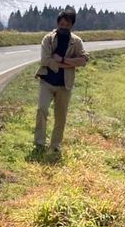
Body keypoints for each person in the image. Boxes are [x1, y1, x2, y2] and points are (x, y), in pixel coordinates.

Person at [35, 9, 90, 153]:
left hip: (65, 84)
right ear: (57, 23)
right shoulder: (48, 39)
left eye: (67, 24)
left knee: (61, 117)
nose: (64, 27)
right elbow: (45, 60)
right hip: (47, 81)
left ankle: (55, 145)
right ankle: (39, 142)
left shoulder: (76, 41)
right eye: (62, 23)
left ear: (72, 25)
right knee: (42, 109)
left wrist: (63, 60)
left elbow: (83, 60)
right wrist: (70, 63)